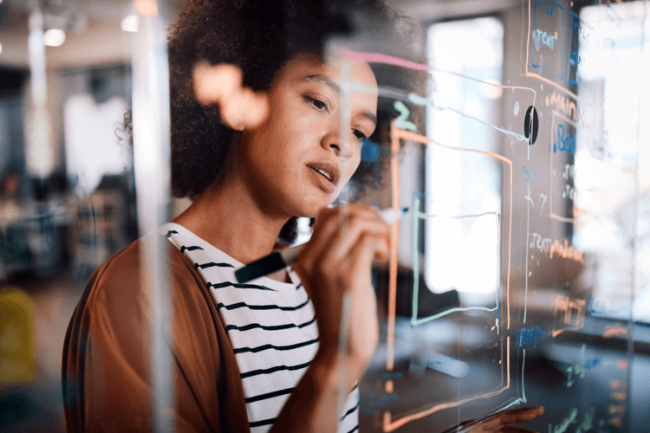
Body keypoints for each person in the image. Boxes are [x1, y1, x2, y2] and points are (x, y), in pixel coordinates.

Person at [62, 1, 543, 432]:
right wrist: (334, 365)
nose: (342, 143)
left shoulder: (309, 280)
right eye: (317, 102)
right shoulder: (138, 291)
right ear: (242, 101)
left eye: (360, 130)